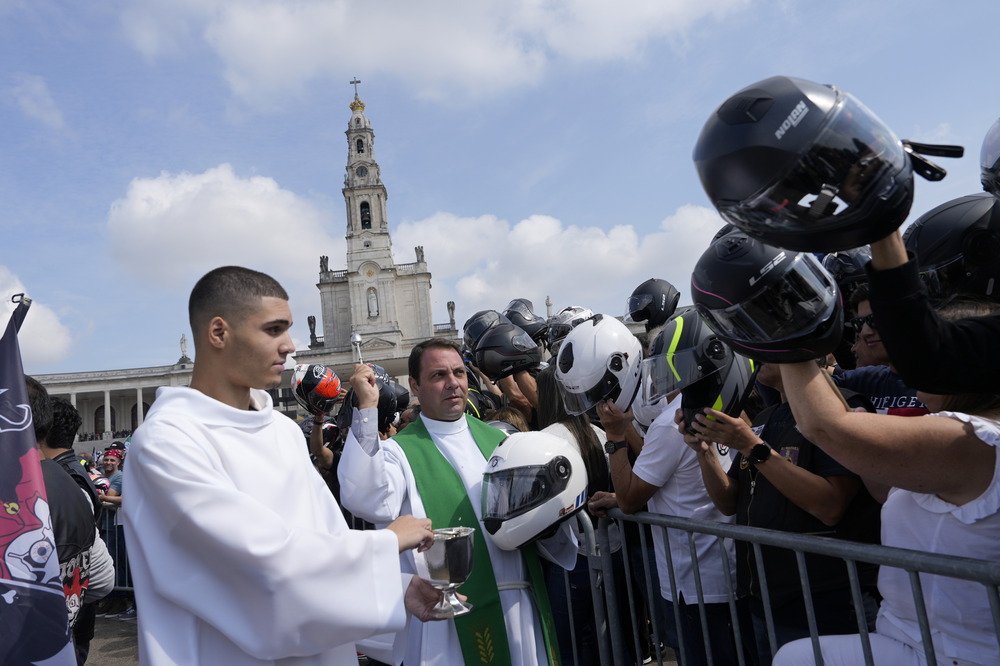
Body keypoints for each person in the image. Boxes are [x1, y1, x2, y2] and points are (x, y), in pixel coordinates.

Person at [120, 265, 442, 665]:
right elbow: (262, 564)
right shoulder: (167, 441)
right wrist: (385, 543)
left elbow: (326, 538)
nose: (290, 345)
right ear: (219, 333)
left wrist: (397, 588)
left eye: (288, 329)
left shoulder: (283, 431)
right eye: (274, 330)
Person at [339, 338, 576, 665]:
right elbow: (367, 498)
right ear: (415, 386)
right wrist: (366, 408)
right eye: (438, 375)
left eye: (459, 373)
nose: (453, 383)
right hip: (448, 620)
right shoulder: (399, 453)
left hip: (519, 603)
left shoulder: (503, 441)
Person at [771, 343, 1000, 665]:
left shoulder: (979, 438)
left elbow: (823, 427)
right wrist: (856, 431)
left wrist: (786, 335)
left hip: (958, 653)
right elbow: (883, 490)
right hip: (912, 638)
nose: (915, 384)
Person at [682, 358, 880, 664]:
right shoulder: (766, 416)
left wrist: (752, 447)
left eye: (765, 347)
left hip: (827, 604)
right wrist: (703, 452)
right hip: (765, 602)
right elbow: (728, 501)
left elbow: (830, 506)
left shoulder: (843, 406)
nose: (756, 357)